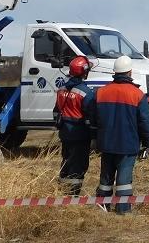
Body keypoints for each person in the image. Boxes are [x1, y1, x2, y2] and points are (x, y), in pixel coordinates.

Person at [94, 55, 149, 214]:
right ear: (130, 72)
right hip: (127, 144)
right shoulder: (137, 94)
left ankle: (102, 206)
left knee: (106, 178)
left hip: (106, 143)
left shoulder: (101, 92)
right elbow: (144, 123)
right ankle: (123, 209)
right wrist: (148, 142)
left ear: (115, 72)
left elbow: (94, 118)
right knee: (124, 180)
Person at [53, 56, 96, 195]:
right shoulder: (85, 92)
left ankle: (62, 189)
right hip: (80, 134)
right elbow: (91, 115)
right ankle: (73, 194)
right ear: (84, 72)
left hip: (64, 133)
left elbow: (56, 111)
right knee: (79, 164)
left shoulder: (61, 90)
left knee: (66, 159)